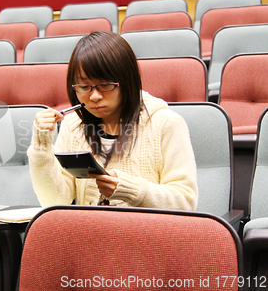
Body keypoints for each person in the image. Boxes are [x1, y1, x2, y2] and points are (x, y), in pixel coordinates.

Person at [27, 31, 197, 210]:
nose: (94, 96)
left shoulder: (166, 124)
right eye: (84, 87)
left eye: (105, 85)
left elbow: (185, 202)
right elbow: (53, 202)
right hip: (92, 234)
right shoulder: (72, 126)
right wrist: (41, 147)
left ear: (127, 81)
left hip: (148, 235)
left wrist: (129, 190)